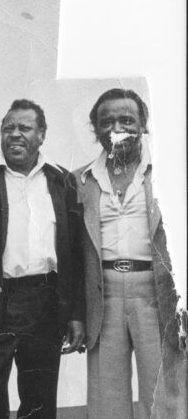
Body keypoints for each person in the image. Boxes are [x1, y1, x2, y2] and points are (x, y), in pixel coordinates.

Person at [0, 99, 86, 419]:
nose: (15, 134)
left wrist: (77, 314)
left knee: (40, 399)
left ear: (42, 135)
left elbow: (76, 257)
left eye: (25, 128)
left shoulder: (62, 181)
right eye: (8, 128)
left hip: (46, 303)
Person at [77, 89, 187, 419]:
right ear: (95, 129)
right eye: (106, 122)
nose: (117, 128)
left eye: (126, 120)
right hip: (104, 296)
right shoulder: (81, 180)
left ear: (143, 125)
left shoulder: (170, 173)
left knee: (163, 393)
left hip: (156, 293)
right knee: (106, 395)